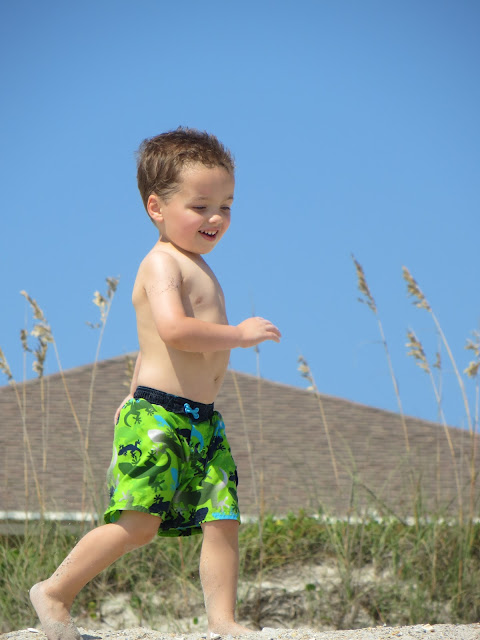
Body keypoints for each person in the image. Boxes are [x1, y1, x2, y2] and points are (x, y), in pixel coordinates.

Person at [30, 127, 281, 640]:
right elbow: (172, 330)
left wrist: (134, 387)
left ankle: (223, 622)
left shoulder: (197, 265)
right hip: (160, 416)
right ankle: (53, 591)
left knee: (223, 517)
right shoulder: (162, 262)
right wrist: (239, 334)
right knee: (138, 524)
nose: (216, 218)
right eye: (201, 206)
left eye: (226, 207)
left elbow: (151, 346)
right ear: (156, 207)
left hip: (202, 421)